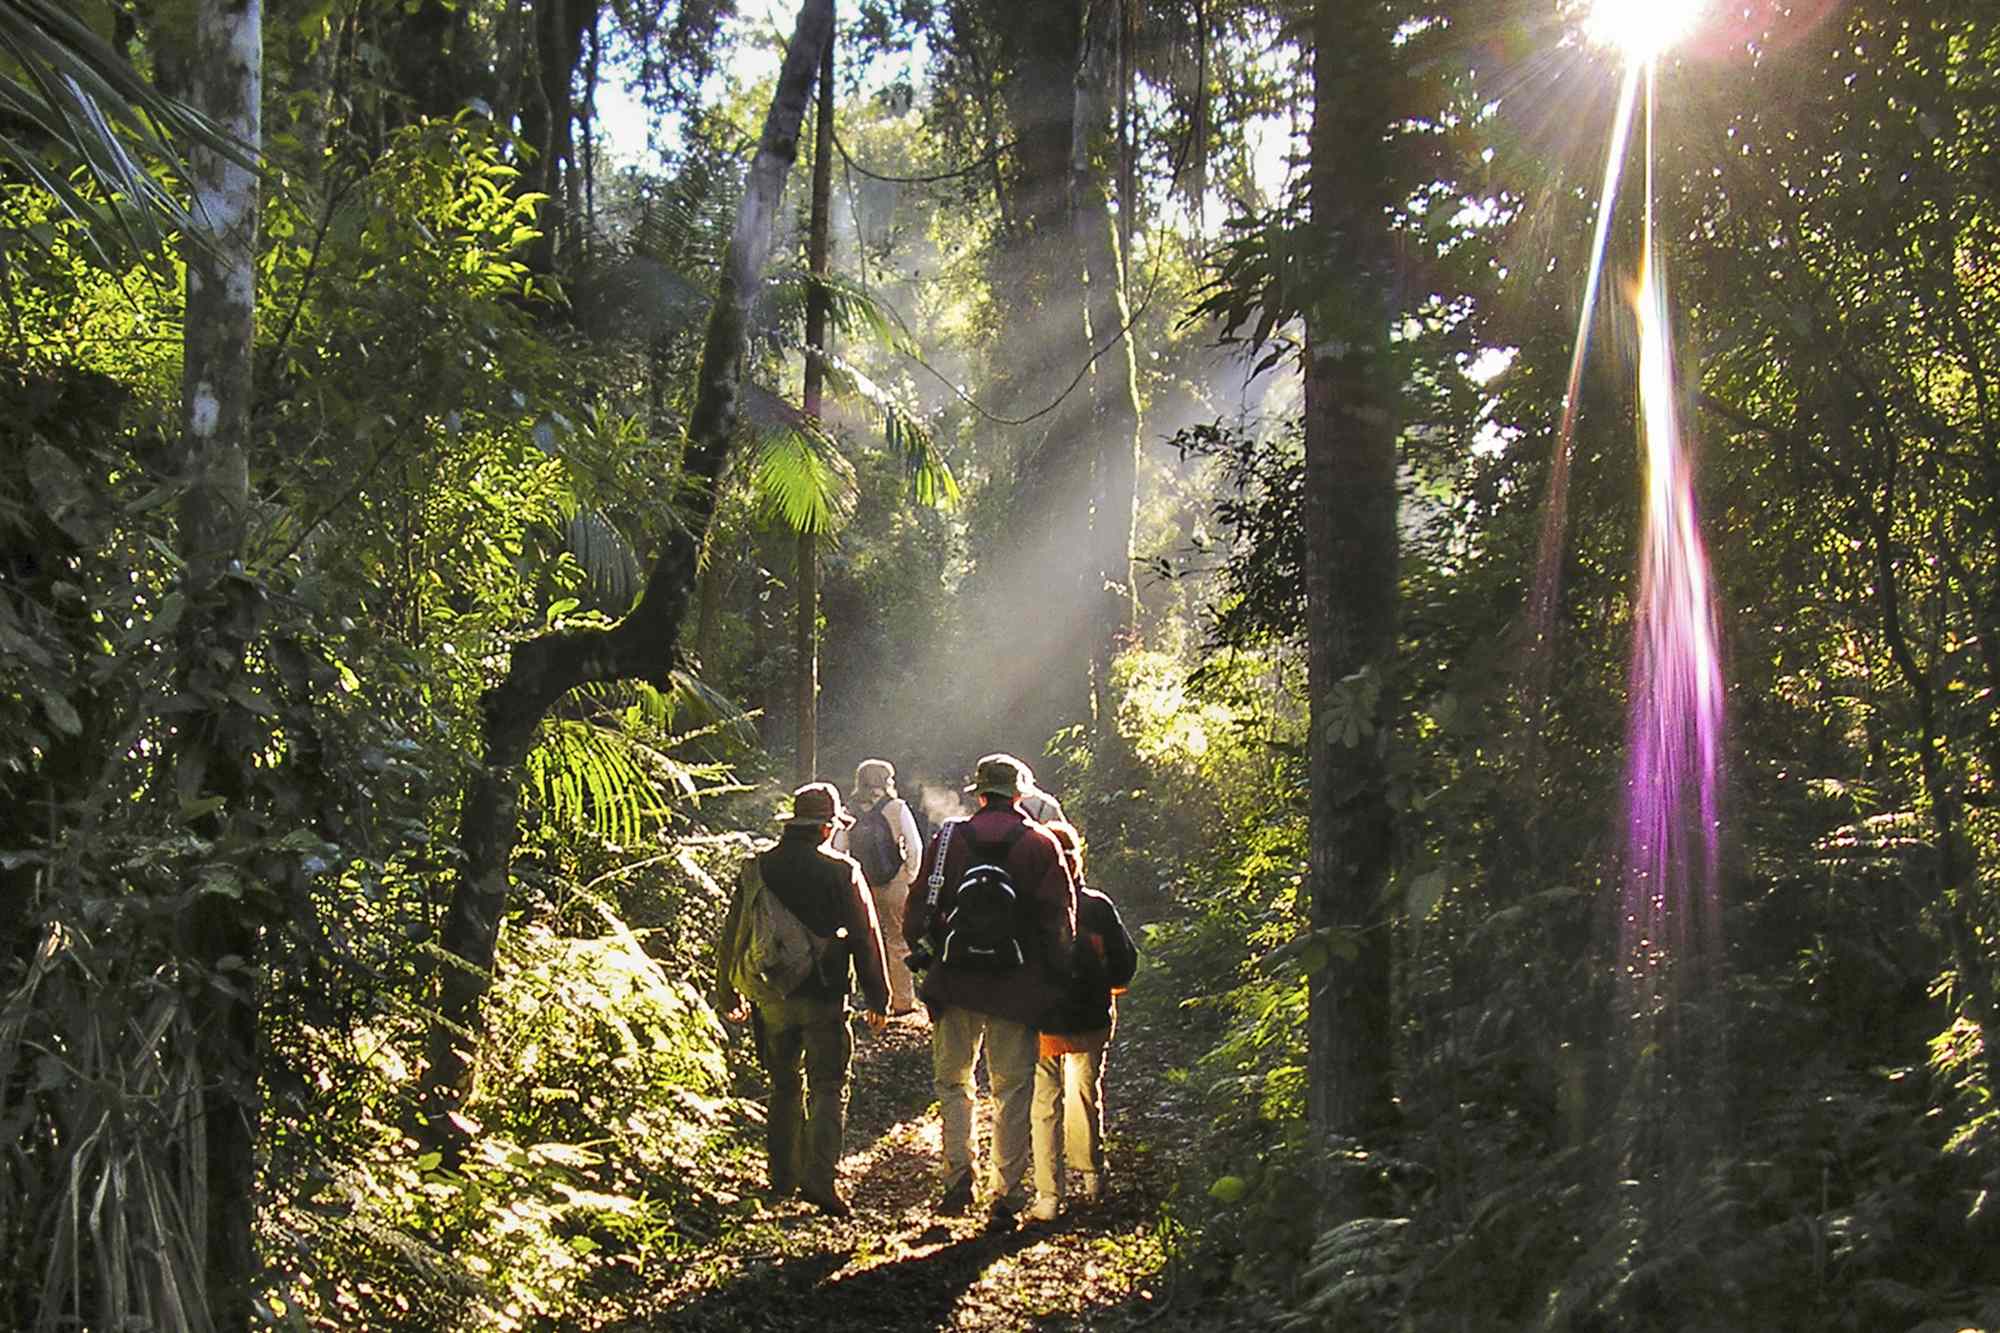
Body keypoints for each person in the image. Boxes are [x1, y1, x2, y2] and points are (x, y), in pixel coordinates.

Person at [905, 753, 1076, 1228]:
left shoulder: (948, 839)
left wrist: (925, 955)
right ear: (1019, 794)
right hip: (1016, 986)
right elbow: (1059, 921)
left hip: (955, 980)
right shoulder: (1041, 843)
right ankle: (1006, 1193)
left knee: (954, 1082)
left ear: (979, 794)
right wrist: (1055, 981)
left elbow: (918, 906)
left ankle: (958, 1178)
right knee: (1013, 1089)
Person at [714, 782, 891, 1217]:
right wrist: (878, 996)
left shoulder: (757, 868)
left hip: (771, 994)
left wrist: (726, 990)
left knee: (783, 1085)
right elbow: (865, 936)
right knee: (828, 1085)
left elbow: (735, 931)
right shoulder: (841, 871)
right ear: (827, 827)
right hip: (824, 995)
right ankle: (820, 1180)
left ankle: (781, 1176)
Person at [1028, 821, 1137, 1223]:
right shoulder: (1098, 906)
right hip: (1091, 1019)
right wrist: (1109, 986)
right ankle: (1092, 1178)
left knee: (1044, 1104)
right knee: (1085, 1096)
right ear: (1078, 859)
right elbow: (1124, 964)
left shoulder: (1029, 905)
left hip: (1041, 1022)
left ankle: (1048, 1195)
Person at [832, 758, 924, 1015]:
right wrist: (909, 875)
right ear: (887, 781)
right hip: (895, 881)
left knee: (865, 940)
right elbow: (915, 846)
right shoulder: (897, 807)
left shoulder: (848, 809)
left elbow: (838, 848)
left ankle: (871, 999)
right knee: (898, 941)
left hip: (862, 883)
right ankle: (902, 1002)